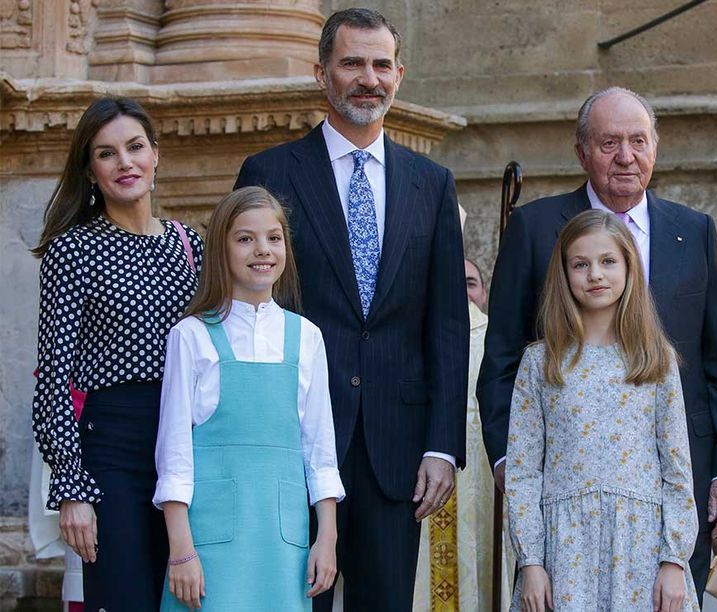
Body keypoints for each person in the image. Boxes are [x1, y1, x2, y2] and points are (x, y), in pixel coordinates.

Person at [233, 8, 469, 609]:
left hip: (398, 449)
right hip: (293, 438)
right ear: (322, 73)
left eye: (381, 64)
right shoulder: (270, 172)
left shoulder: (432, 182)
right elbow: (248, 306)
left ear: (399, 74)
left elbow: (447, 322)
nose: (369, 78)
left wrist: (443, 444)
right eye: (352, 63)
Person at [478, 86, 717, 598]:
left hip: (673, 492)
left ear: (655, 147)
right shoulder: (535, 229)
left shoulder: (693, 230)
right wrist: (508, 464)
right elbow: (500, 361)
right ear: (582, 151)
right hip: (560, 506)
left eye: (638, 141)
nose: (626, 156)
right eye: (609, 143)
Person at [31, 96, 203, 611]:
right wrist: (72, 487)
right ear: (90, 171)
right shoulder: (72, 249)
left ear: (156, 155)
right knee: (127, 599)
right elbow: (54, 379)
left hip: (190, 444)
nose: (125, 162)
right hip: (113, 452)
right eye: (106, 154)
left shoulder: (190, 244)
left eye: (134, 147)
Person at [153, 187, 344, 610]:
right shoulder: (192, 336)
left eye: (273, 238)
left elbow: (319, 452)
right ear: (221, 249)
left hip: (283, 543)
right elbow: (175, 455)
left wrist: (326, 538)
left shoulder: (306, 338)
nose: (262, 250)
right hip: (208, 543)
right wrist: (181, 550)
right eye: (245, 238)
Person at [505, 210, 699, 612]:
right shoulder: (541, 363)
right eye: (581, 264)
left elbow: (678, 469)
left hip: (641, 551)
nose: (595, 274)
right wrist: (532, 563)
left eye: (608, 261)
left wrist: (674, 560)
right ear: (565, 273)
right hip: (564, 554)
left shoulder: (655, 360)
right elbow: (523, 473)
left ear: (629, 267)